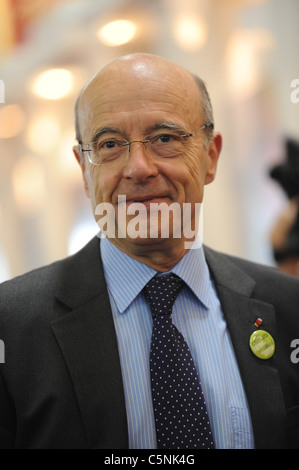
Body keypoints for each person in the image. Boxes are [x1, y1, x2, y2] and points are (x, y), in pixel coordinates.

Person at [0, 53, 299, 450]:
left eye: (165, 138)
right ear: (84, 171)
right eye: (109, 144)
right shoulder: (12, 328)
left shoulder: (288, 307)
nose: (138, 168)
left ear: (210, 156)